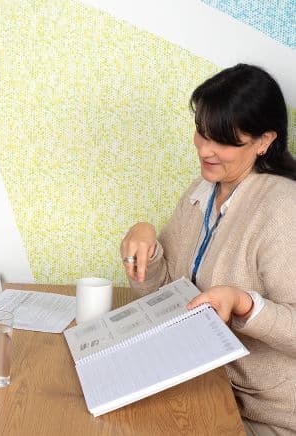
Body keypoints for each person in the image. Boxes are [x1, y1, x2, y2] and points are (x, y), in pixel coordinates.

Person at [120, 64, 296, 435]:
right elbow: (168, 291)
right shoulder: (202, 192)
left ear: (264, 141)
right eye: (202, 132)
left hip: (261, 413)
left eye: (224, 140)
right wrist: (146, 242)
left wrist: (246, 304)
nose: (205, 150)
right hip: (205, 387)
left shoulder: (283, 208)